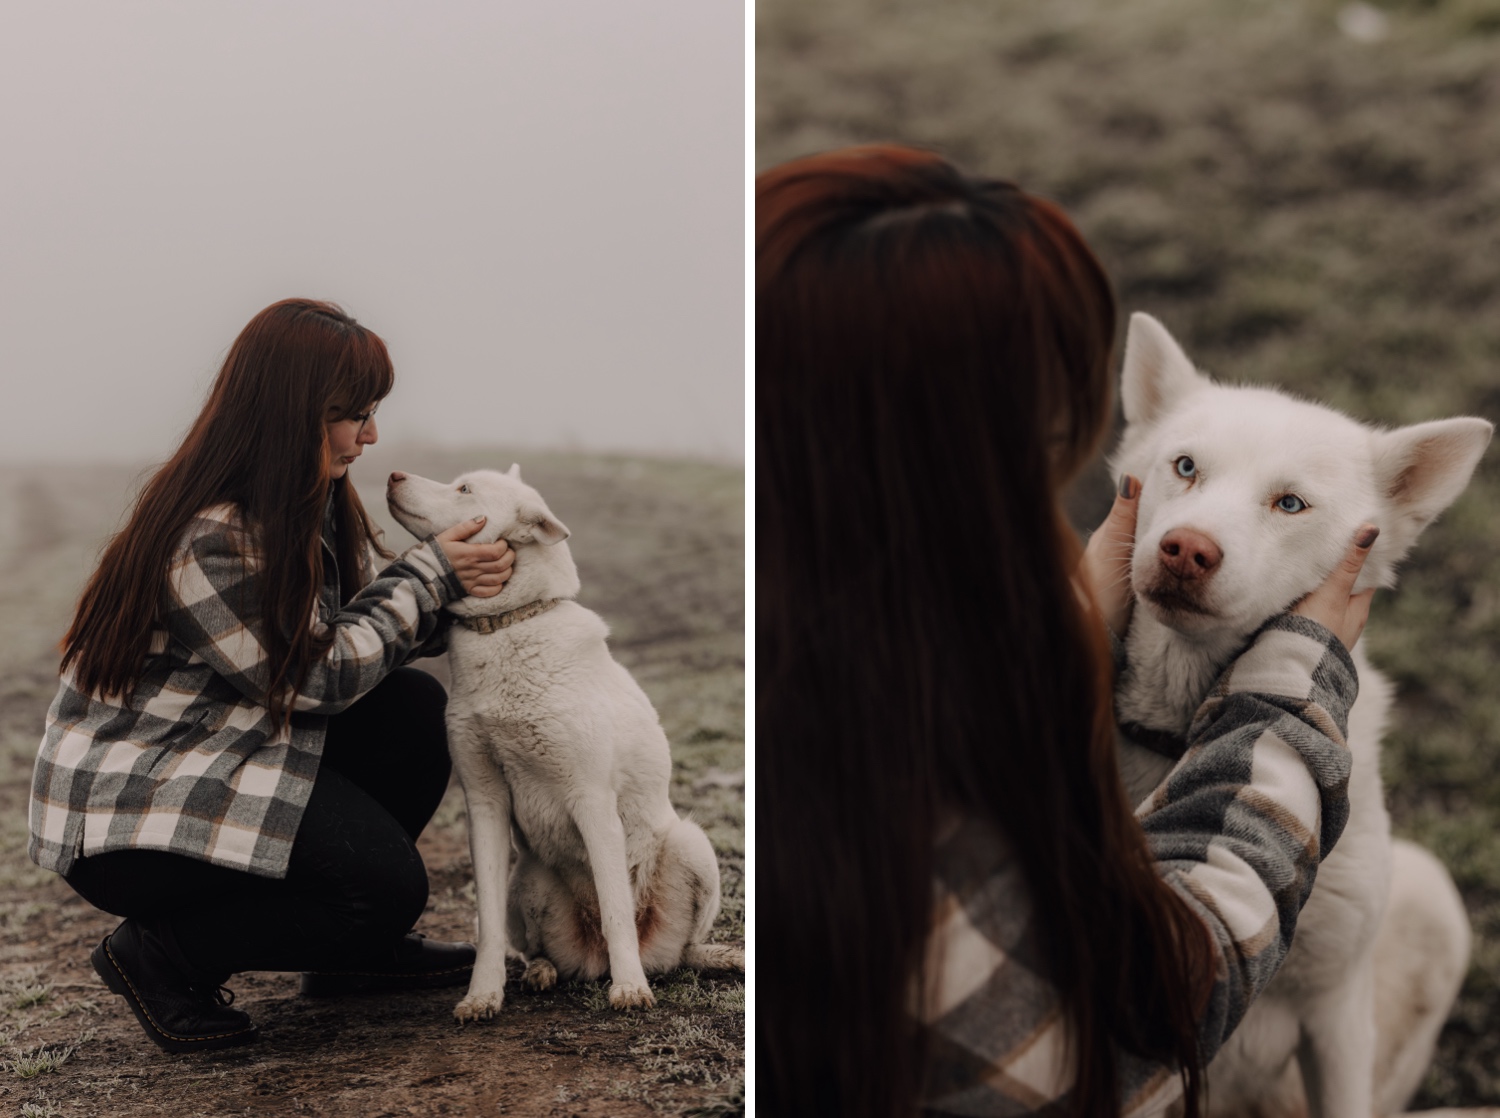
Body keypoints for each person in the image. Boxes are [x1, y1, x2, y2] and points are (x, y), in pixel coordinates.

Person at [757, 146, 1376, 1117]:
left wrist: (1054, 644)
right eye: (1031, 465)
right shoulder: (906, 830)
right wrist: (1290, 701)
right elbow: (1151, 1016)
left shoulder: (797, 667)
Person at [27, 298, 516, 1052]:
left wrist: (485, 587)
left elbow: (364, 634)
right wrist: (429, 579)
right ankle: (161, 956)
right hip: (133, 812)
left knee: (410, 705)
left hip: (218, 750)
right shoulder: (214, 533)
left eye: (373, 411)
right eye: (355, 414)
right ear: (294, 412)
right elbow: (315, 680)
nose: (372, 435)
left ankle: (351, 960)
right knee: (382, 892)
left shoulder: (303, 502)